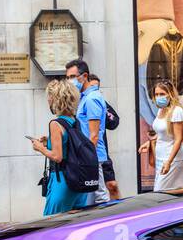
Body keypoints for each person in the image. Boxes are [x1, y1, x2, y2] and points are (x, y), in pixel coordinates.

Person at [33, 78, 87, 215]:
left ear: (55, 99)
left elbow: (57, 157)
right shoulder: (75, 121)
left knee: (50, 225)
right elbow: (69, 145)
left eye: (49, 97)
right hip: (78, 182)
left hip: (62, 181)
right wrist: (49, 142)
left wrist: (40, 147)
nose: (48, 100)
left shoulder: (55, 124)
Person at [65, 59, 111, 204]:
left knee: (100, 196)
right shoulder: (84, 98)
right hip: (88, 155)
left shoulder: (92, 98)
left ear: (85, 76)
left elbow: (94, 134)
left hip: (92, 156)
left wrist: (86, 159)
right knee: (90, 198)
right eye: (67, 78)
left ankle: (108, 224)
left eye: (73, 77)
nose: (70, 81)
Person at [142, 78, 183, 190]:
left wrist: (169, 162)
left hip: (172, 159)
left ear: (170, 94)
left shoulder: (177, 111)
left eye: (162, 94)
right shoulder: (161, 110)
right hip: (161, 158)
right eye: (156, 94)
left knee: (160, 192)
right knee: (169, 195)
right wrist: (150, 142)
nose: (158, 97)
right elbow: (164, 132)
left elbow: (178, 139)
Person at [87, 74, 122, 200]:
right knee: (94, 192)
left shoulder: (99, 102)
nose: (94, 91)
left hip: (102, 152)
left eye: (97, 88)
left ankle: (118, 215)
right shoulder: (84, 102)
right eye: (92, 87)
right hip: (89, 155)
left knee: (112, 185)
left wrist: (103, 111)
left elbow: (114, 122)